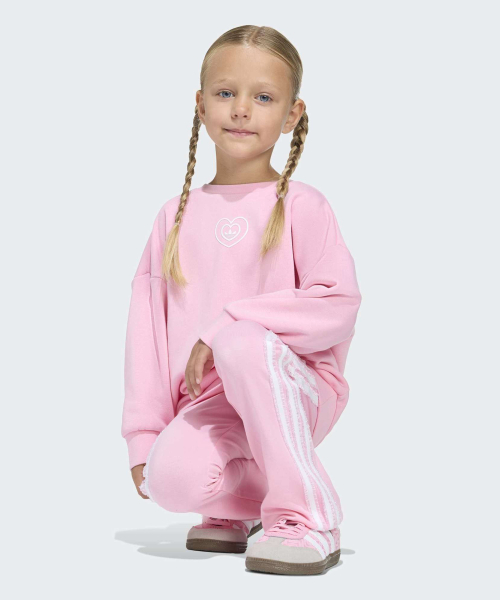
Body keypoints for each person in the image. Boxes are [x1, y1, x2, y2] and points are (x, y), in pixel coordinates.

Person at [121, 24, 362, 576]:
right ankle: (239, 507)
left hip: (296, 390)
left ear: (292, 114)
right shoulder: (173, 215)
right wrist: (144, 435)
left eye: (264, 97)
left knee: (242, 342)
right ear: (201, 104)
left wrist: (229, 323)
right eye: (226, 92)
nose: (241, 110)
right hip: (211, 402)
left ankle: (308, 516)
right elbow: (146, 330)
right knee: (169, 480)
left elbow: (338, 305)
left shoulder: (302, 204)